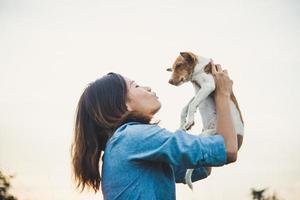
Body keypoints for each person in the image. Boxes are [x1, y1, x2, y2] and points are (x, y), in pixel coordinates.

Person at [71, 63, 238, 200]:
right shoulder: (132, 137)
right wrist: (223, 94)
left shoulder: (121, 146)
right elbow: (228, 149)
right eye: (136, 86)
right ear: (123, 105)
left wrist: (215, 97)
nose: (148, 88)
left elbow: (205, 164)